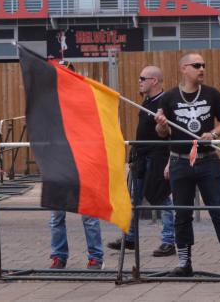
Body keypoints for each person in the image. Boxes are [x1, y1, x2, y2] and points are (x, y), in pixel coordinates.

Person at [155, 53, 220, 277]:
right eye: (197, 65)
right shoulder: (169, 98)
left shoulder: (212, 94)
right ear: (184, 69)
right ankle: (184, 264)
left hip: (208, 161)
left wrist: (213, 133)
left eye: (203, 65)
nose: (202, 68)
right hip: (180, 162)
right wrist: (162, 125)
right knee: (182, 213)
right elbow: (162, 134)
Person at [106, 65, 175, 257]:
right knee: (134, 200)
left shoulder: (165, 103)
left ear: (154, 81)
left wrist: (169, 161)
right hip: (141, 158)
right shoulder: (145, 103)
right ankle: (130, 238)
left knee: (161, 198)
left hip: (157, 158)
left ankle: (169, 240)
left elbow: (171, 134)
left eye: (142, 78)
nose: (139, 81)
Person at [48, 61, 104, 270]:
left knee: (89, 214)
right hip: (58, 163)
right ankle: (58, 255)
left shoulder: (84, 99)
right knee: (56, 215)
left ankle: (96, 257)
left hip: (83, 161)